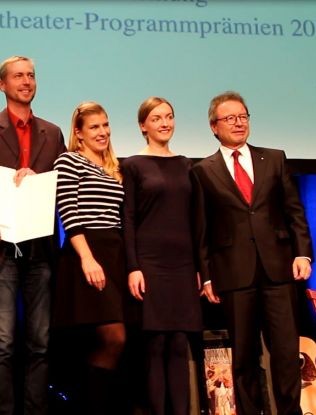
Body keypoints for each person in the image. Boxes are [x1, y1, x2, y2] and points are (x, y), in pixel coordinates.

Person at [193, 91, 313, 414]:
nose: (238, 123)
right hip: (233, 273)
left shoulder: (274, 158)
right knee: (244, 357)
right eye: (229, 118)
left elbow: (294, 211)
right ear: (213, 126)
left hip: (278, 270)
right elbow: (201, 229)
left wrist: (303, 253)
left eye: (243, 116)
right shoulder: (203, 171)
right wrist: (205, 276)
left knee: (286, 353)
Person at [0, 55, 66, 415]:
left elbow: (62, 185)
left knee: (40, 343)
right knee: (2, 343)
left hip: (40, 247)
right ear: (2, 85)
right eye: (18, 76)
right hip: (1, 246)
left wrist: (38, 184)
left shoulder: (52, 133)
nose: (26, 81)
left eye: (31, 76)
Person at [122, 97, 203, 415]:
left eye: (169, 116)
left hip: (183, 265)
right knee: (155, 345)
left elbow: (195, 219)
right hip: (150, 263)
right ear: (143, 125)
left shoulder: (185, 164)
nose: (165, 123)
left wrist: (199, 267)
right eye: (156, 118)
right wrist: (133, 266)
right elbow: (127, 219)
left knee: (179, 343)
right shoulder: (132, 164)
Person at [53, 101, 126, 415]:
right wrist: (87, 258)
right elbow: (69, 213)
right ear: (79, 134)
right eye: (94, 127)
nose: (103, 132)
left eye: (105, 125)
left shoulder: (114, 168)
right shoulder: (69, 161)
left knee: (112, 341)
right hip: (87, 252)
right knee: (113, 337)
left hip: (115, 252)